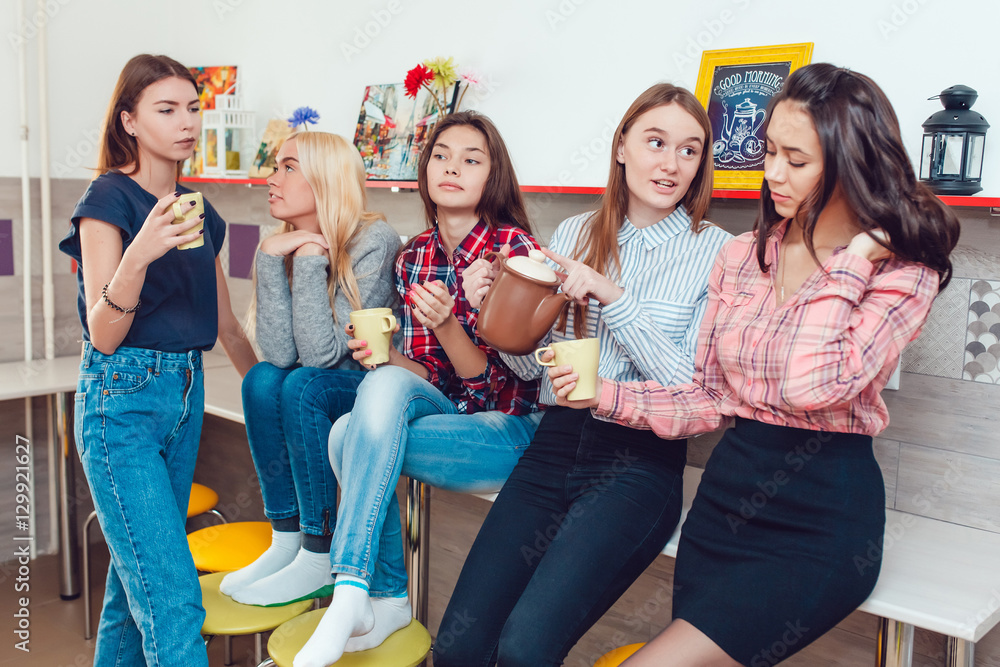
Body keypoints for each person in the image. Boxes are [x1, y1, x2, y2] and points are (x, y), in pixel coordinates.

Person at [549, 64, 960, 666]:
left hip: (822, 520)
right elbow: (708, 397)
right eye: (769, 152)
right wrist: (603, 396)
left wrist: (855, 257)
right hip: (726, 503)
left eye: (797, 160)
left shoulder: (902, 269)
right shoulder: (744, 255)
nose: (773, 174)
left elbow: (815, 383)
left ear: (851, 163)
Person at [434, 83, 732, 667]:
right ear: (621, 147)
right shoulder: (573, 234)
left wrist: (613, 298)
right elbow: (532, 367)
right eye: (655, 142)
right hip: (553, 446)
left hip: (638, 467)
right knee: (459, 648)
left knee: (524, 649)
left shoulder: (718, 252)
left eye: (689, 150)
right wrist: (492, 310)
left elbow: (694, 389)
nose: (671, 164)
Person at [290, 111, 544, 667]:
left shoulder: (516, 252)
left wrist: (450, 323)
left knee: (348, 436)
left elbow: (499, 389)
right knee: (354, 417)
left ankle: (363, 593)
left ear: (493, 176)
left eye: (471, 160)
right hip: (450, 416)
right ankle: (374, 598)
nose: (452, 168)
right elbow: (434, 378)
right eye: (441, 156)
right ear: (425, 169)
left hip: (510, 432)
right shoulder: (415, 255)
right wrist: (385, 356)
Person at [58, 54, 258, 666]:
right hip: (120, 401)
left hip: (184, 397)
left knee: (132, 592)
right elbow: (103, 332)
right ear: (130, 122)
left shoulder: (198, 208)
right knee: (173, 602)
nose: (186, 122)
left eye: (193, 108)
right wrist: (140, 252)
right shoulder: (107, 199)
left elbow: (225, 324)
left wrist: (266, 398)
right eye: (166, 109)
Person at [219, 132, 402, 605]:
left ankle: (319, 549)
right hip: (316, 383)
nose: (271, 178)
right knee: (262, 380)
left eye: (287, 167)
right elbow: (279, 354)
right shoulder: (288, 241)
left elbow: (325, 358)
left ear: (325, 179)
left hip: (373, 387)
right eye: (275, 167)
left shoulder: (375, 241)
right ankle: (287, 539)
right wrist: (269, 256)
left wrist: (307, 262)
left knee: (302, 384)